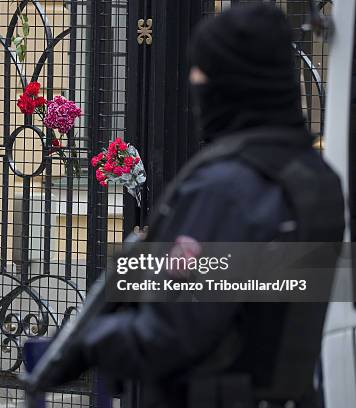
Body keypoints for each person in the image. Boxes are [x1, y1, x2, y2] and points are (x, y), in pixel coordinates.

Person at [38, 4, 345, 407]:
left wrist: (90, 341)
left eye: (202, 71)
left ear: (232, 80)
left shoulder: (226, 189)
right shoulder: (316, 179)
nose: (193, 82)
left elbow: (172, 333)